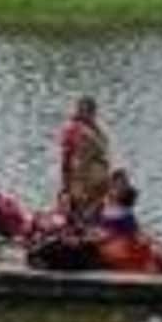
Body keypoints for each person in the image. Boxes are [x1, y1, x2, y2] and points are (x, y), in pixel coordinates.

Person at [57, 96, 112, 225]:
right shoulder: (77, 130)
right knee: (83, 214)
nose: (93, 115)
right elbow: (69, 160)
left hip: (95, 183)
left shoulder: (92, 129)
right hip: (84, 183)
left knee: (91, 213)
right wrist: (66, 186)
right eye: (90, 111)